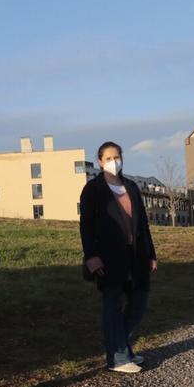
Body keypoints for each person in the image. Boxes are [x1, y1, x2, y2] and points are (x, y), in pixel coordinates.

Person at [79, 142, 158, 374]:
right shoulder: (93, 190)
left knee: (139, 303)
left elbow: (143, 223)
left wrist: (151, 254)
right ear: (100, 161)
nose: (114, 161)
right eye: (109, 157)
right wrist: (91, 256)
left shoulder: (132, 187)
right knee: (112, 305)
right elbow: (87, 226)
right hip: (109, 257)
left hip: (137, 255)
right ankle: (119, 358)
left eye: (117, 156)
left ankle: (119, 347)